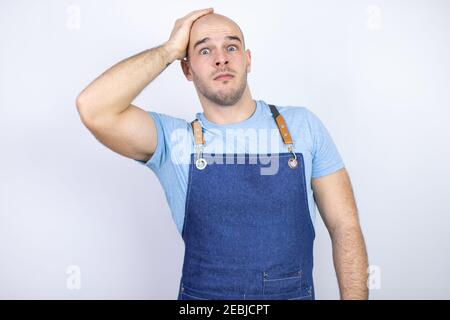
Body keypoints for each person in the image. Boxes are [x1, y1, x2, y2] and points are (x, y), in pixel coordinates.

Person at [76, 8, 369, 300]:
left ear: (248, 59)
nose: (221, 58)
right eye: (204, 51)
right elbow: (93, 108)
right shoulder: (173, 141)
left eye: (231, 47)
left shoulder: (303, 126)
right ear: (187, 69)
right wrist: (168, 50)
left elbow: (344, 225)